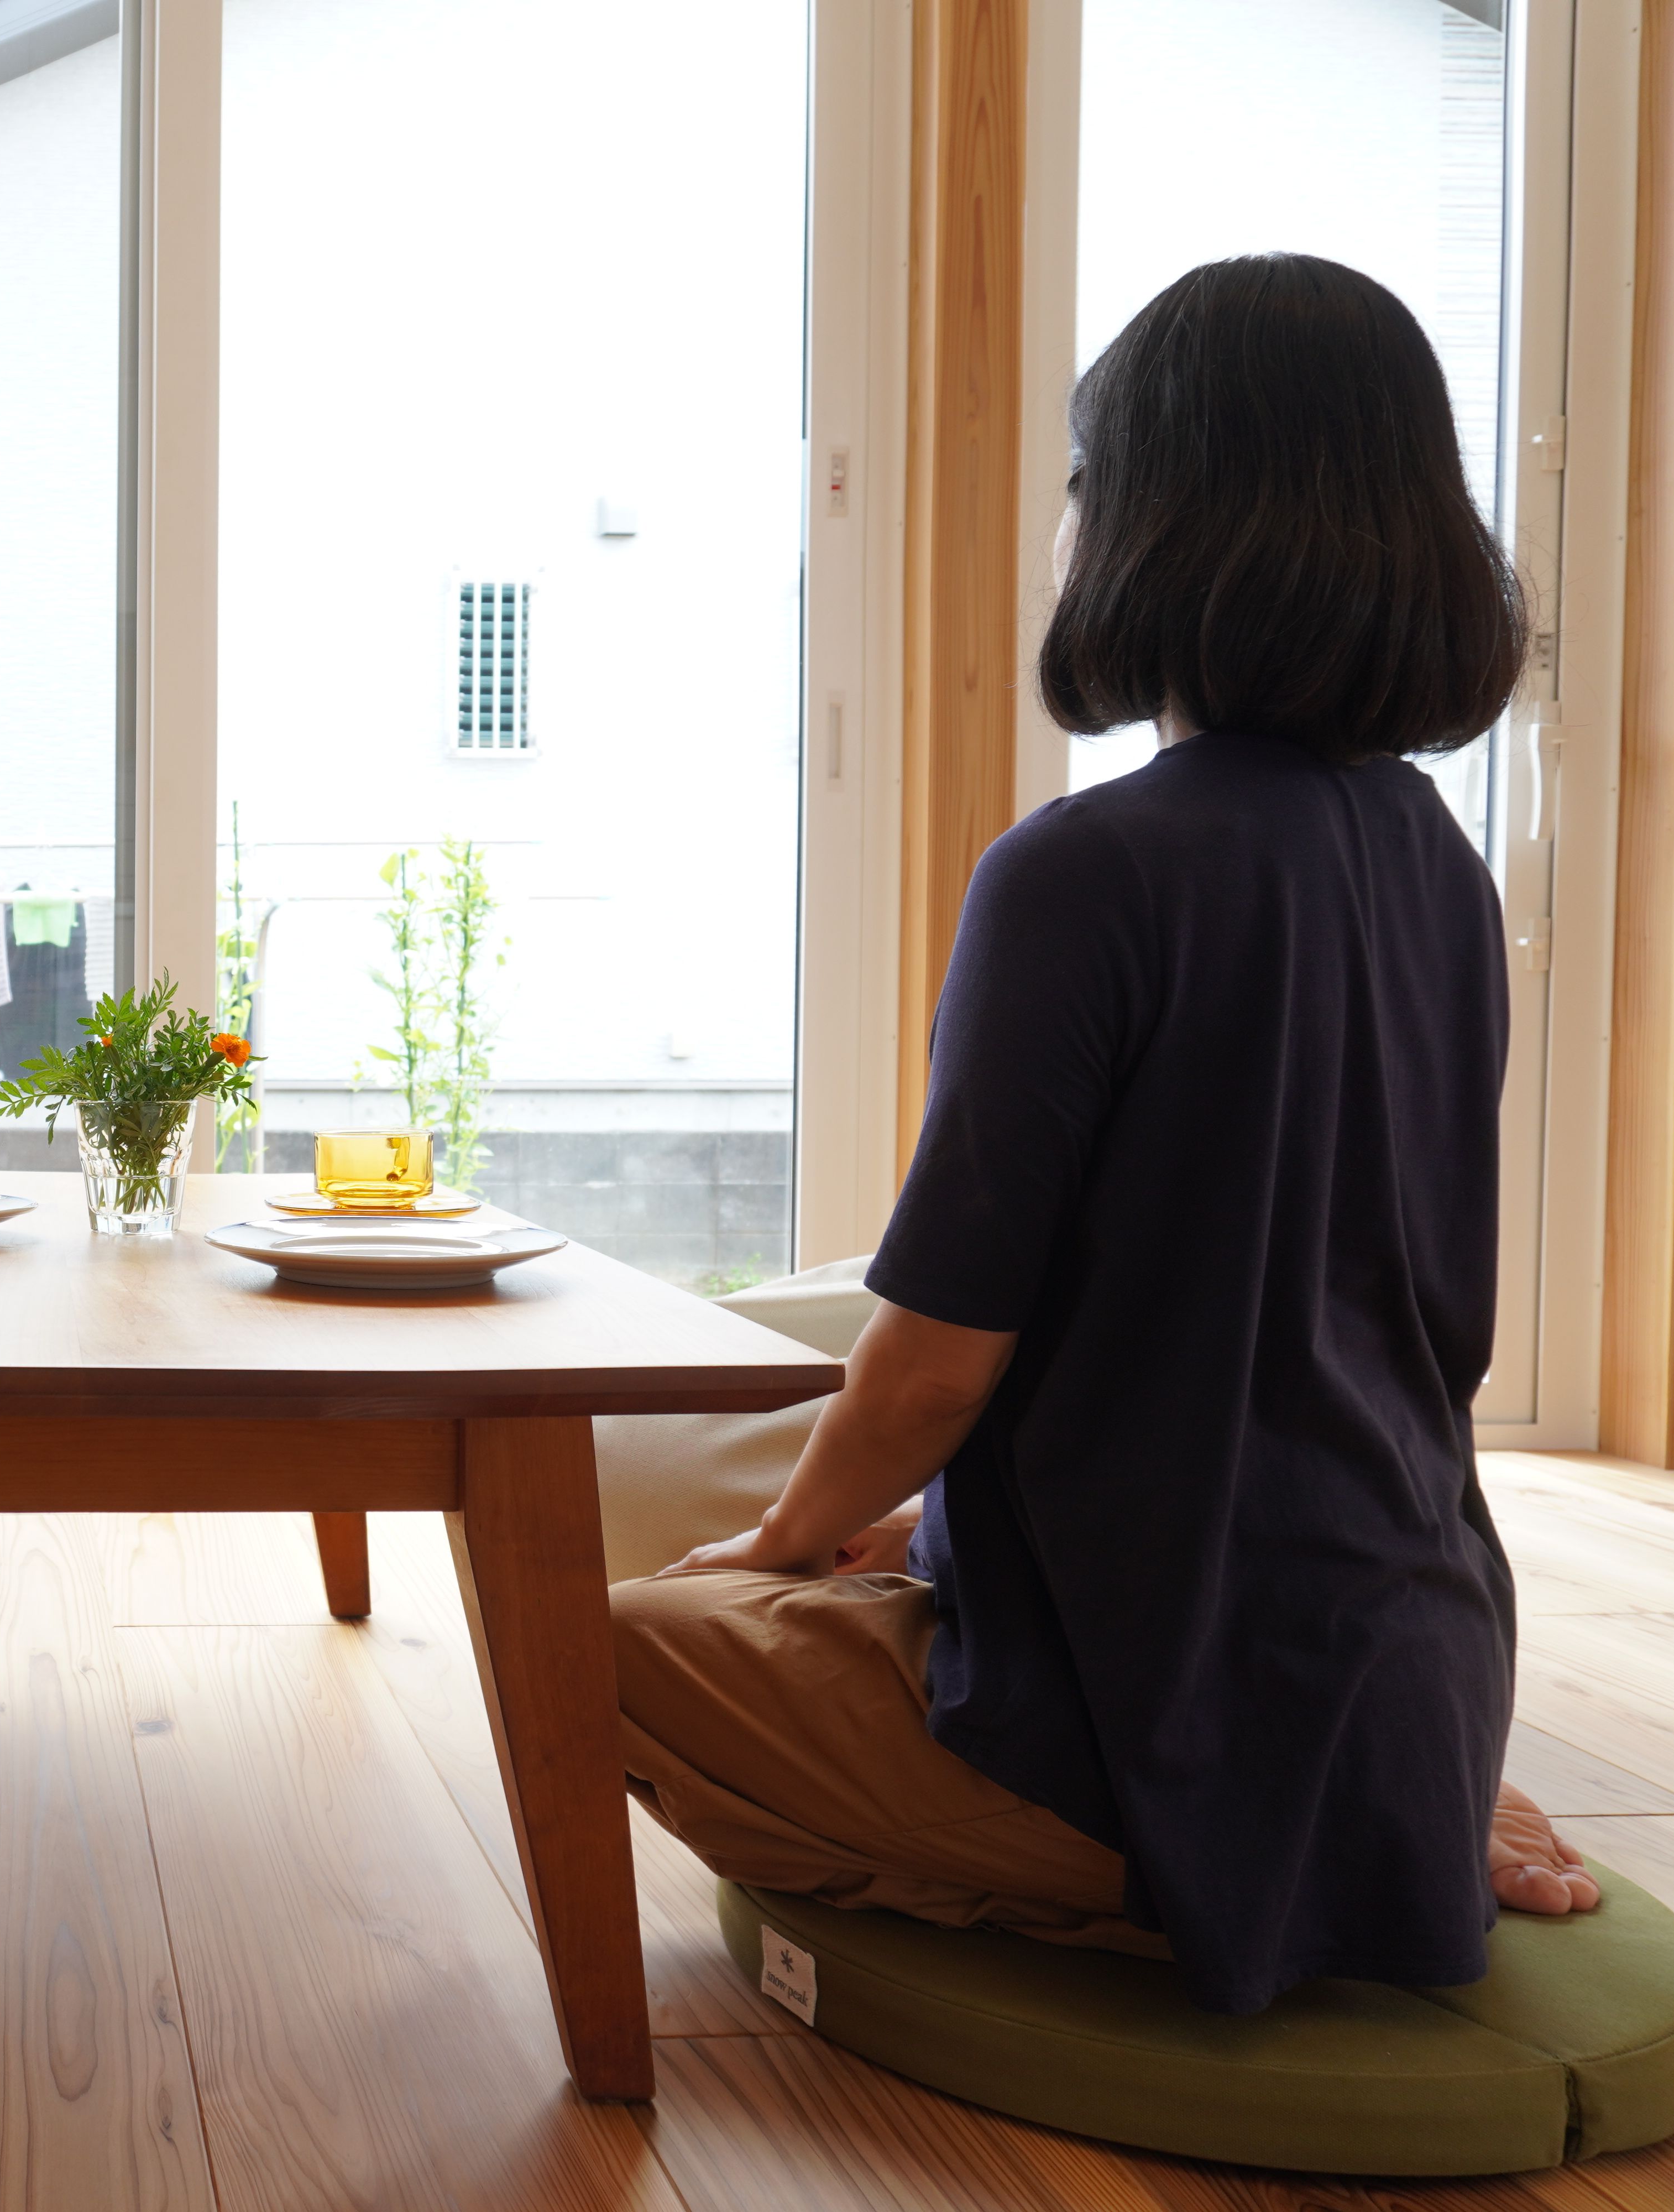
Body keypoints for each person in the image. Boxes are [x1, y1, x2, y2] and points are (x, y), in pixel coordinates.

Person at [610, 254, 1593, 2015]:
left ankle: (1178, 1877)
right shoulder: (1440, 867)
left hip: (1150, 1714)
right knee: (806, 1512)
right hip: (1420, 1651)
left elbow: (927, 1374)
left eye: (1083, 478)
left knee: (595, 1634)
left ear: (1149, 519)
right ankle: (1388, 1803)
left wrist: (778, 1550)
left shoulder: (1080, 872)